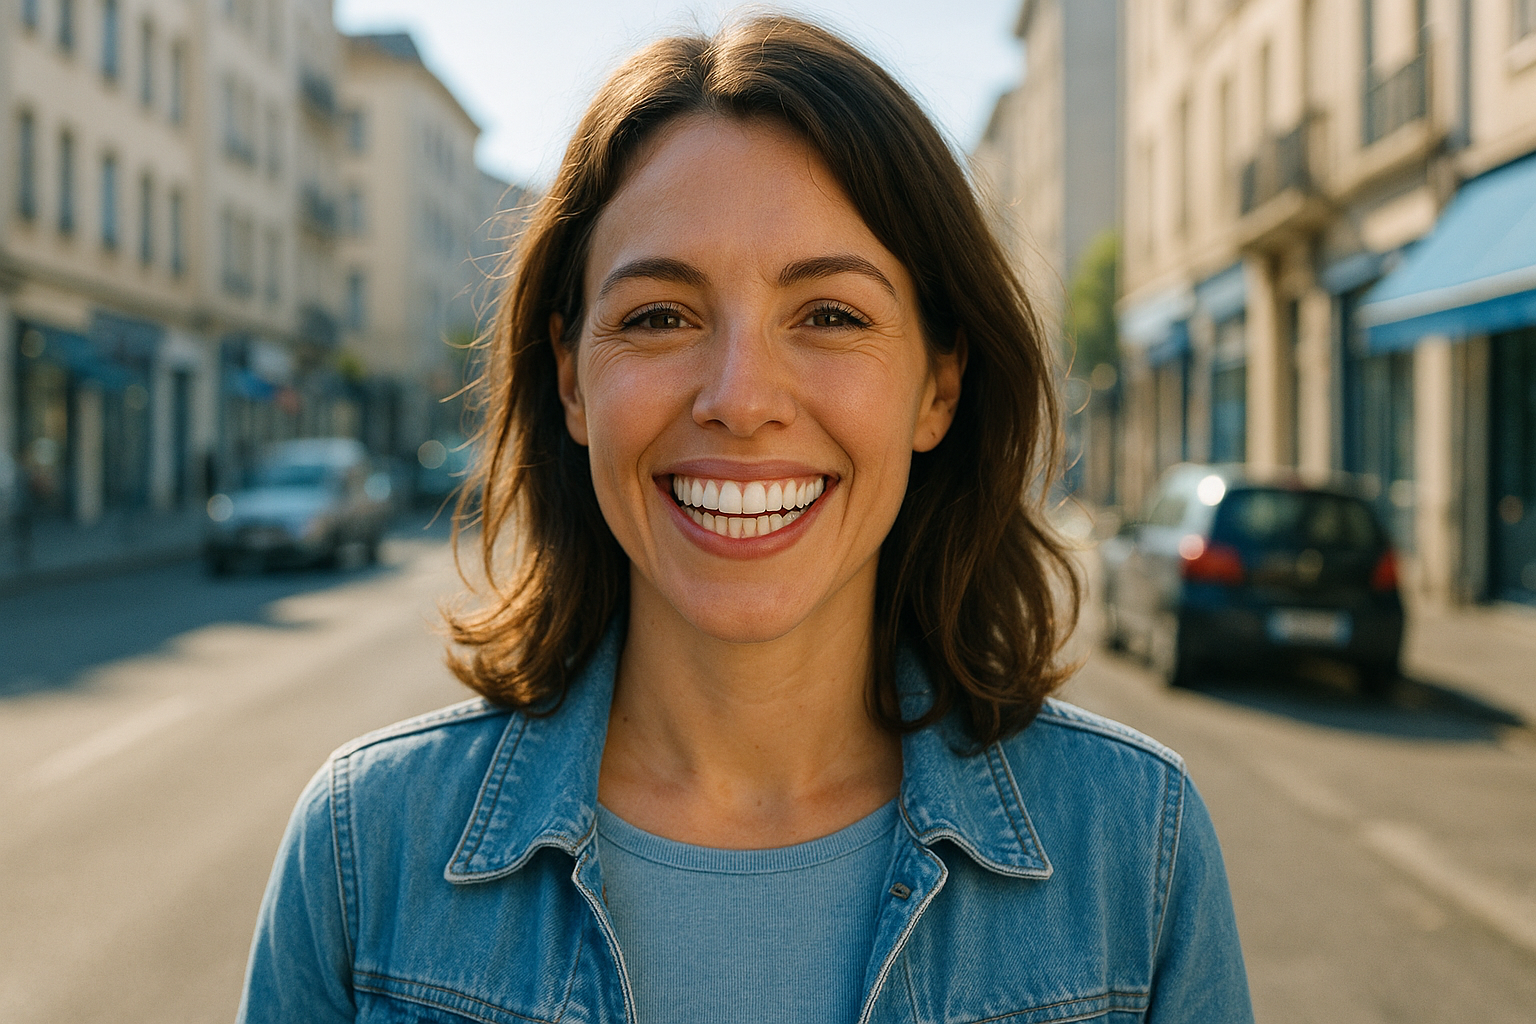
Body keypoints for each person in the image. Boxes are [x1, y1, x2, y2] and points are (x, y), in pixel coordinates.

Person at [238, 15, 1253, 1024]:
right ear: (571, 378)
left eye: (830, 315)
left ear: (939, 387)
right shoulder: (362, 850)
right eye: (658, 316)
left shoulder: (1136, 850)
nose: (741, 395)